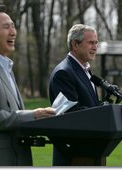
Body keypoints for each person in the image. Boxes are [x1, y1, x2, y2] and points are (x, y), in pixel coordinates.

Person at [0, 5, 55, 166]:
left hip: (20, 160)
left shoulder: (5, 66)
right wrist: (32, 115)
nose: (13, 32)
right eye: (6, 27)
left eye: (13, 26)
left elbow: (12, 114)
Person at [49, 24, 105, 166]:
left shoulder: (84, 69)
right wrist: (103, 112)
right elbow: (70, 114)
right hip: (73, 155)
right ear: (75, 44)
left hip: (89, 151)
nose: (95, 47)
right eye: (91, 43)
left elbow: (89, 104)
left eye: (96, 43)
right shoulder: (64, 72)